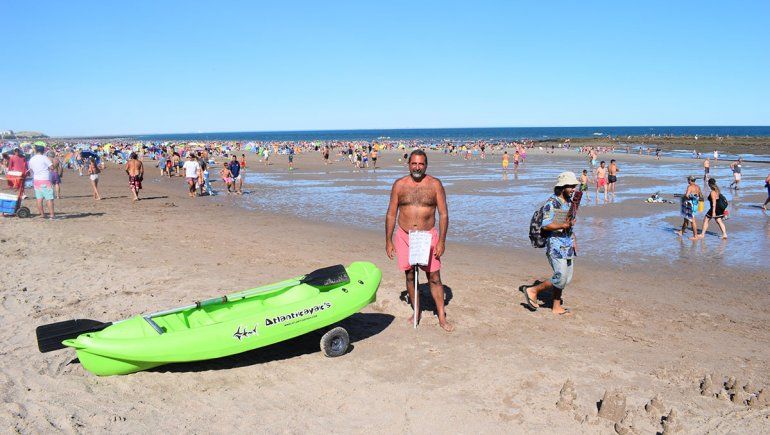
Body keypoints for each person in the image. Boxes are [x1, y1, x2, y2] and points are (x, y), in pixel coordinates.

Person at [385, 149, 453, 332]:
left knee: (434, 277)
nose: (417, 167)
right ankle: (417, 312)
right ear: (409, 165)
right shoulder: (399, 185)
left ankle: (441, 316)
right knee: (409, 275)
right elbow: (391, 214)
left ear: (426, 165)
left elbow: (444, 214)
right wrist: (388, 240)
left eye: (421, 164)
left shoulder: (435, 185)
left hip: (428, 236)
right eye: (414, 163)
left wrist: (442, 241)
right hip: (405, 236)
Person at [520, 172, 579, 316]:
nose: (573, 189)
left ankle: (556, 306)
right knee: (560, 277)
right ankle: (533, 290)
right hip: (555, 245)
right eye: (570, 186)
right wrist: (564, 225)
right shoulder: (551, 203)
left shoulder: (569, 202)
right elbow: (546, 225)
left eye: (574, 186)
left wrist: (573, 237)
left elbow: (565, 224)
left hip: (567, 244)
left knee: (566, 279)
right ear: (562, 186)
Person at [28, 146, 55, 219]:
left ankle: (42, 214)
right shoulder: (44, 158)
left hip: (36, 180)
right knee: (49, 198)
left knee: (39, 198)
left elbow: (31, 170)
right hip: (45, 179)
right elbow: (52, 167)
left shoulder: (32, 159)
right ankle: (52, 215)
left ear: (36, 151)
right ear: (43, 151)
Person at [676, 176, 702, 240]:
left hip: (689, 205)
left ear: (690, 180)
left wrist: (683, 196)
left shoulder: (690, 187)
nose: (688, 181)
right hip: (695, 204)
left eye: (688, 180)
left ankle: (695, 236)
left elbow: (687, 196)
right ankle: (681, 232)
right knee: (686, 219)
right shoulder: (698, 187)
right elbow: (700, 195)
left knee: (692, 221)